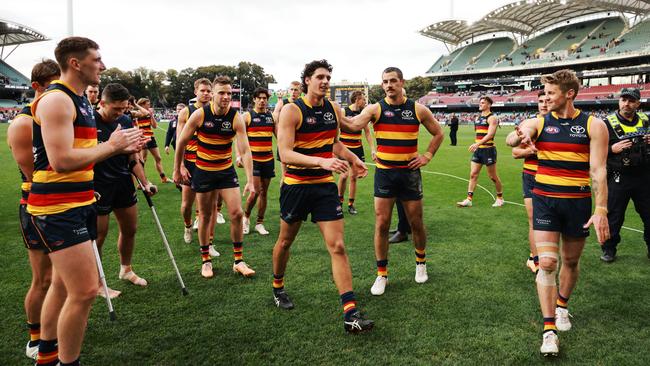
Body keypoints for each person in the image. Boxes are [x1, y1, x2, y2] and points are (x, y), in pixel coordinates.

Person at [28, 37, 145, 366]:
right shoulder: (57, 101)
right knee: (84, 290)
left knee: (64, 287)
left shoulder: (80, 101)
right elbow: (61, 160)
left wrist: (117, 148)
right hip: (56, 208)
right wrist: (112, 146)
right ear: (76, 63)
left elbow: (81, 157)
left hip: (76, 203)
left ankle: (47, 357)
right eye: (97, 59)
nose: (103, 65)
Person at [507, 69, 610, 356]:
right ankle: (549, 329)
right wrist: (521, 136)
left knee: (571, 261)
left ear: (569, 94)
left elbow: (598, 170)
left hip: (577, 202)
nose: (545, 97)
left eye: (551, 93)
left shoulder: (594, 125)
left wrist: (601, 208)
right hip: (545, 200)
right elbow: (513, 140)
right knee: (549, 263)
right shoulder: (538, 121)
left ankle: (562, 305)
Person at [271, 59, 374, 333]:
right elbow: (285, 153)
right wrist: (322, 162)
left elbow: (334, 143)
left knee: (338, 245)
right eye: (320, 77)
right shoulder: (292, 111)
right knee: (284, 241)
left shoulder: (332, 108)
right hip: (295, 186)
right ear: (307, 80)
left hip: (324, 187)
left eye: (328, 77)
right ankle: (278, 286)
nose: (325, 81)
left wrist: (353, 158)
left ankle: (350, 312)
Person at [340, 66, 444, 296]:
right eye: (385, 81)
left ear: (401, 82)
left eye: (393, 81)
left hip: (409, 174)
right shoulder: (375, 109)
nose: (388, 85)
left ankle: (420, 263)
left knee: (416, 222)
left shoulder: (418, 109)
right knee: (382, 224)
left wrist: (427, 155)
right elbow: (353, 125)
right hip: (385, 173)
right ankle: (382, 274)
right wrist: (333, 112)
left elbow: (438, 133)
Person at [173, 75, 255, 279]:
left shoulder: (235, 117)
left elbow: (245, 151)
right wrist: (177, 168)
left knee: (236, 214)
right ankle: (206, 261)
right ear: (213, 95)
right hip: (203, 171)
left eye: (229, 93)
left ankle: (238, 261)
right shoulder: (199, 115)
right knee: (205, 216)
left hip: (226, 171)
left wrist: (251, 180)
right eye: (221, 93)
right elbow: (181, 142)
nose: (226, 96)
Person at [7, 59, 59, 360]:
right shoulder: (25, 123)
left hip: (62, 204)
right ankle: (34, 339)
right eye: (53, 85)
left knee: (63, 278)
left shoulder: (52, 117)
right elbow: (34, 175)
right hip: (37, 205)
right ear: (37, 87)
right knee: (43, 279)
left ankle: (53, 331)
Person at [94, 83, 158, 298]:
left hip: (123, 181)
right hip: (98, 185)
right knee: (99, 236)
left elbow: (133, 158)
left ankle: (126, 269)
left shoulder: (125, 120)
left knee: (130, 229)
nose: (120, 113)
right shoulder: (89, 122)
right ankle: (98, 282)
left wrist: (145, 182)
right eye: (116, 109)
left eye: (124, 109)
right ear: (102, 103)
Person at [599, 87, 650, 262]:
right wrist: (611, 149)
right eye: (623, 99)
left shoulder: (646, 120)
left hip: (644, 176)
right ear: (619, 101)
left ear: (638, 103)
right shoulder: (606, 123)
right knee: (614, 216)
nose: (626, 103)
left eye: (631, 100)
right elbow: (592, 149)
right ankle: (608, 249)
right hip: (618, 177)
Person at [508, 90, 549, 273]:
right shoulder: (529, 125)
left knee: (553, 221)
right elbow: (515, 152)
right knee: (534, 220)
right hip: (531, 176)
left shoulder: (561, 125)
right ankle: (535, 259)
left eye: (547, 100)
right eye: (541, 101)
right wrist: (531, 152)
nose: (544, 104)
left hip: (553, 177)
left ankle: (547, 256)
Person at [457, 96, 504, 207]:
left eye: (483, 103)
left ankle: (500, 198)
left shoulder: (492, 118)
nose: (480, 104)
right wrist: (477, 145)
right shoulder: (477, 118)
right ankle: (469, 199)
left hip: (488, 150)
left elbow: (490, 134)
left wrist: (477, 143)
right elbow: (478, 133)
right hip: (478, 151)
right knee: (473, 174)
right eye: (480, 102)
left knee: (493, 176)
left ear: (489, 105)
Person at [242, 87, 275, 235]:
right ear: (254, 99)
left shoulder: (271, 117)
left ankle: (259, 223)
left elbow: (280, 137)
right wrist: (239, 156)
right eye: (259, 98)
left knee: (264, 193)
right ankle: (246, 218)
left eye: (265, 98)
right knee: (254, 192)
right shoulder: (247, 116)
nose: (262, 101)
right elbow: (239, 139)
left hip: (268, 159)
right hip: (253, 160)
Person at [337, 90, 374, 215]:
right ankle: (339, 202)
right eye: (363, 99)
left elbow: (367, 132)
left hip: (357, 148)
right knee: (343, 176)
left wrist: (373, 149)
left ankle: (351, 204)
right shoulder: (344, 111)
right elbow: (336, 128)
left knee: (353, 177)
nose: (364, 101)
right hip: (344, 148)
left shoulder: (363, 114)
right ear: (357, 99)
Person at [135, 97, 171, 183]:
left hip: (151, 138)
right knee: (143, 159)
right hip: (142, 138)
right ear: (142, 105)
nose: (149, 105)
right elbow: (135, 126)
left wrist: (151, 115)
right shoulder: (137, 114)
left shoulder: (148, 114)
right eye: (148, 104)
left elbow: (154, 126)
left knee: (158, 158)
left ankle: (163, 178)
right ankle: (142, 182)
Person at [272, 81, 302, 182]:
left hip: (299, 143)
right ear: (289, 90)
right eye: (292, 89)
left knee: (299, 175)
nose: (293, 92)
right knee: (285, 176)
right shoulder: (282, 103)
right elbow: (275, 116)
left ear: (300, 91)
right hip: (285, 142)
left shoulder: (302, 104)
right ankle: (284, 197)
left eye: (296, 90)